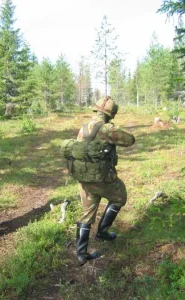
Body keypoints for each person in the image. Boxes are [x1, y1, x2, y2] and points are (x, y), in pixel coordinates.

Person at [75, 96, 135, 265]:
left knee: (86, 215)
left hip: (84, 178)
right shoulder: (106, 129)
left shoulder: (84, 127)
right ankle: (102, 232)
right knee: (119, 197)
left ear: (96, 110)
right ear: (111, 114)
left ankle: (81, 254)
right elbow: (130, 139)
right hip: (102, 179)